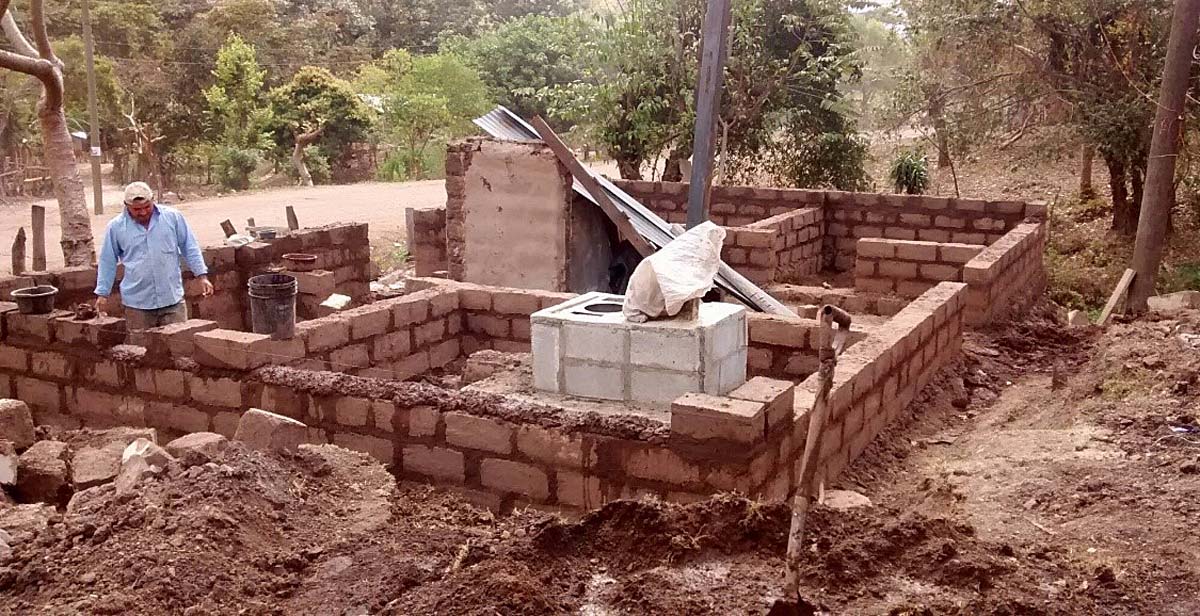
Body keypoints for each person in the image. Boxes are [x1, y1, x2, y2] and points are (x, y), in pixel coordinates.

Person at [94, 182, 213, 330]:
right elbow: (107, 261)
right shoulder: (116, 227)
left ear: (153, 201)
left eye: (147, 207)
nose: (143, 213)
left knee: (178, 348)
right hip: (137, 305)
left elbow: (189, 247)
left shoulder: (172, 217)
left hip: (172, 300)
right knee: (140, 351)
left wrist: (202, 276)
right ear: (126, 206)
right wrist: (102, 293)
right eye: (137, 209)